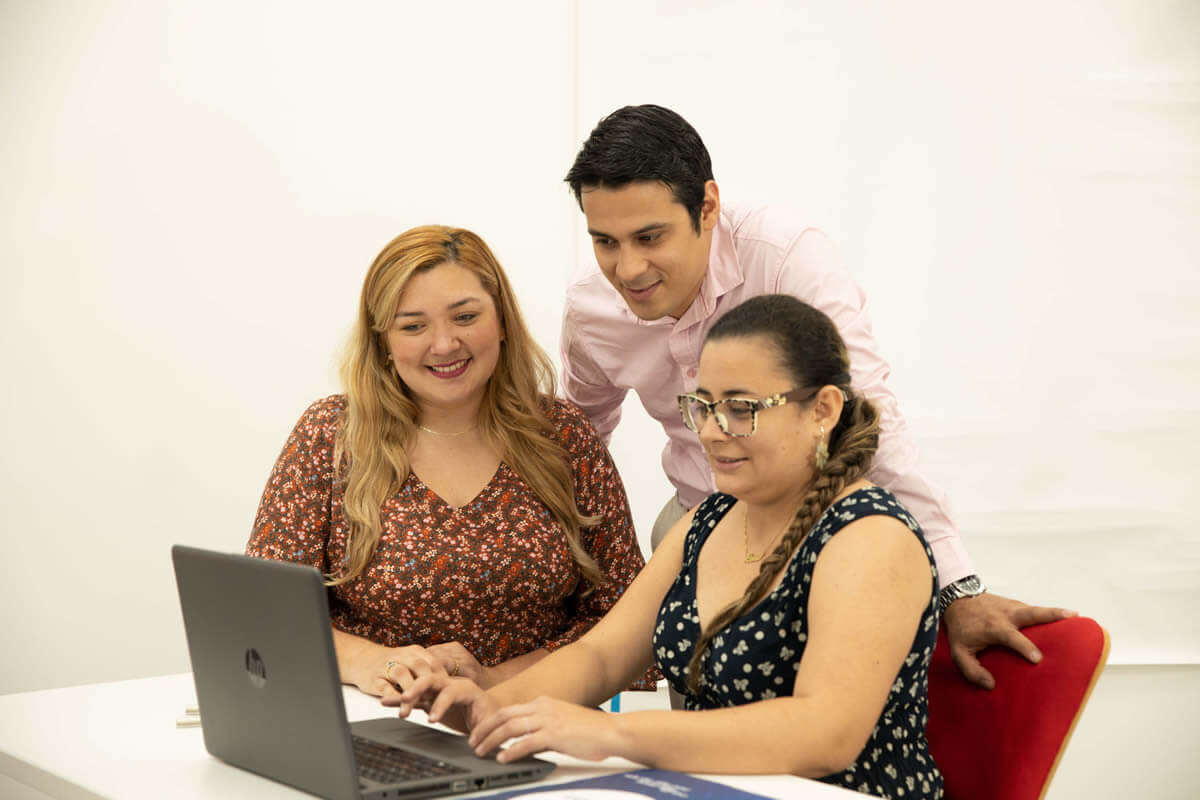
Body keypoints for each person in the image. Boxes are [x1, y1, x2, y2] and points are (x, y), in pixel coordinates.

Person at [559, 104, 1074, 689]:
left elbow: (868, 412)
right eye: (605, 242)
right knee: (702, 738)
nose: (627, 269)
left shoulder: (783, 254)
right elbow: (578, 440)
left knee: (808, 728)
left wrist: (956, 585)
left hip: (814, 526)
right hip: (698, 523)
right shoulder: (590, 307)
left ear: (707, 206)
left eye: (650, 237)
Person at [391, 295, 945, 798]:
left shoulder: (870, 536)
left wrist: (612, 732)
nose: (710, 430)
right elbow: (601, 655)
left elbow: (826, 734)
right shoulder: (712, 518)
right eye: (702, 405)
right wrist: (494, 705)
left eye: (741, 408)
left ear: (823, 409)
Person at [246, 225, 655, 697]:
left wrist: (495, 679)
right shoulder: (330, 435)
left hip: (533, 715)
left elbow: (628, 623)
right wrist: (376, 664)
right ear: (384, 343)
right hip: (369, 716)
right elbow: (267, 613)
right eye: (413, 325)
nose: (443, 344)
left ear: (501, 321)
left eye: (464, 317)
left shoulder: (563, 436)